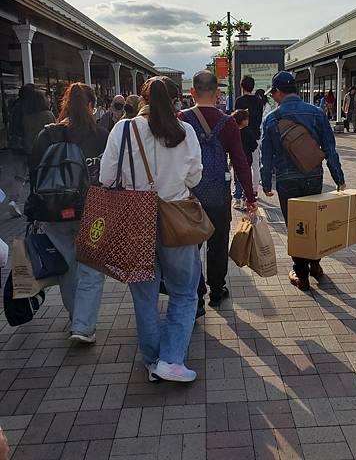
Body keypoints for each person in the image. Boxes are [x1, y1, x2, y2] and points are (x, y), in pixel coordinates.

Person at [100, 77, 203, 383]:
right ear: (176, 101)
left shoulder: (123, 128)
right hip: (176, 218)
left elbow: (107, 177)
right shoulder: (185, 131)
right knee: (184, 292)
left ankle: (152, 360)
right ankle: (171, 359)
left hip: (134, 217)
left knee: (144, 295)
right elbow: (195, 178)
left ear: (141, 99)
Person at [29, 83, 109, 343]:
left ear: (64, 105)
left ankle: (77, 320)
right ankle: (83, 326)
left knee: (67, 269)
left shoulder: (47, 134)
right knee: (91, 269)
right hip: (93, 211)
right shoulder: (100, 135)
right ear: (91, 106)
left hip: (53, 213)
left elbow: (34, 172)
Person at [261, 71, 346, 292]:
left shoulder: (272, 118)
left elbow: (266, 155)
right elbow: (330, 150)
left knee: (296, 227)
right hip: (313, 177)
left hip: (287, 181)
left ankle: (301, 275)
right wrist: (339, 179)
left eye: (274, 94)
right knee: (314, 223)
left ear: (278, 92)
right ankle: (316, 266)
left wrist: (266, 184)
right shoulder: (317, 113)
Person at [182, 71, 257, 308]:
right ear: (217, 94)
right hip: (218, 193)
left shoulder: (180, 119)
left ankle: (196, 294)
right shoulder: (228, 123)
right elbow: (240, 161)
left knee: (191, 247)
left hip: (188, 194)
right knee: (217, 242)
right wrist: (250, 196)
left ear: (192, 92)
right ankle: (217, 290)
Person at [7, 84, 55, 217]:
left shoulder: (17, 108)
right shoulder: (43, 113)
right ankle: (41, 201)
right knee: (40, 176)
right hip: (35, 150)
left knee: (19, 176)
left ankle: (13, 200)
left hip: (17, 146)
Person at [235, 75, 263, 197]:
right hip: (256, 136)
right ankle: (254, 190)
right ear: (253, 86)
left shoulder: (239, 101)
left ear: (242, 86)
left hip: (241, 137)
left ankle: (240, 192)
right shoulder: (259, 101)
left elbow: (235, 120)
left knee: (241, 164)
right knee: (255, 165)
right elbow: (260, 118)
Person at [231, 109, 258, 210]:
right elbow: (254, 146)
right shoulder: (248, 132)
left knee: (237, 179)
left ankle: (237, 199)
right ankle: (245, 198)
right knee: (246, 177)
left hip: (235, 158)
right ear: (243, 120)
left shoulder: (233, 131)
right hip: (247, 158)